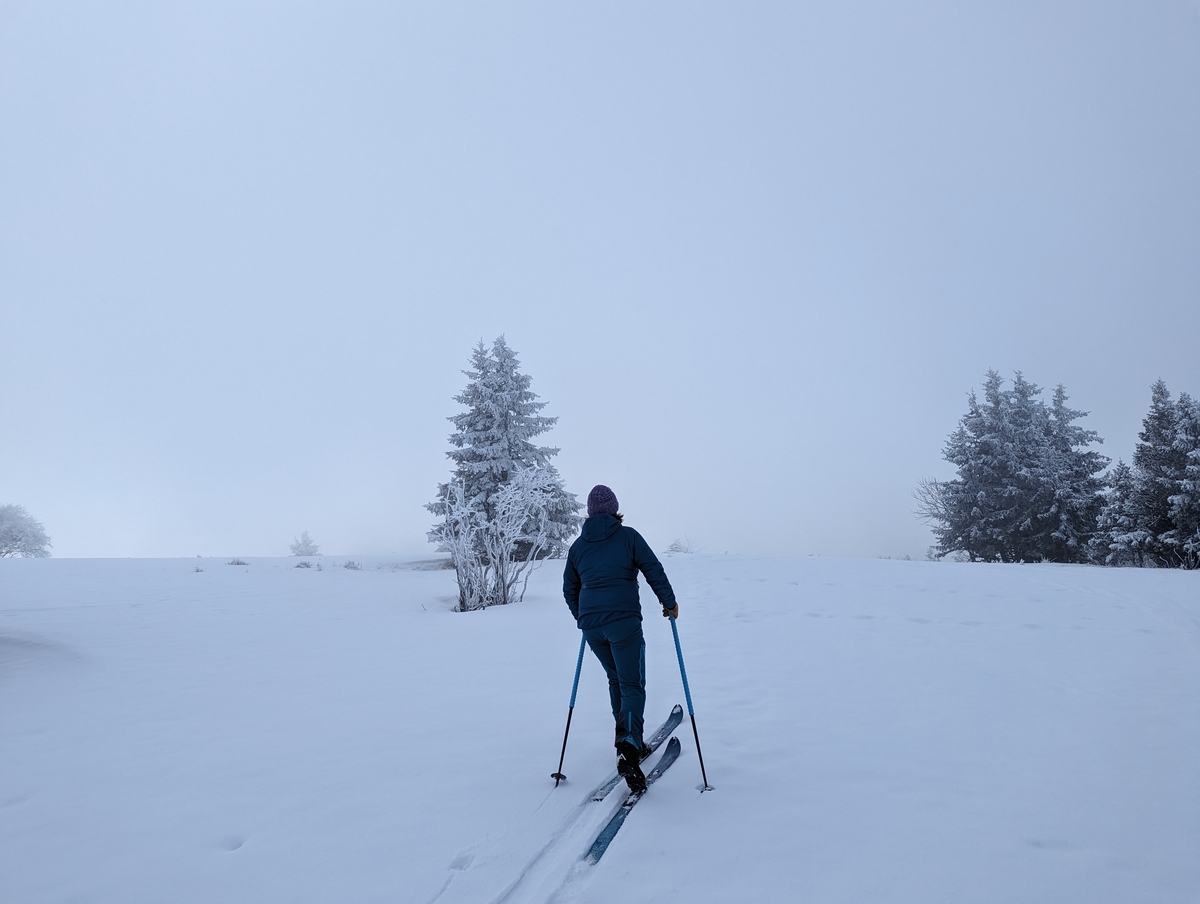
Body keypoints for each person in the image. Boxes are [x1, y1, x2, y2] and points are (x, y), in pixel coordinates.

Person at [563, 485, 679, 792]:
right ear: (615, 509)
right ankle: (629, 744)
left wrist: (583, 617)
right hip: (624, 623)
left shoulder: (577, 547)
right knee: (631, 684)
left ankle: (626, 738)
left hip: (593, 627)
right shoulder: (628, 537)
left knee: (616, 681)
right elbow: (653, 569)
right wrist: (669, 603)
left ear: (589, 513)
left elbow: (569, 589)